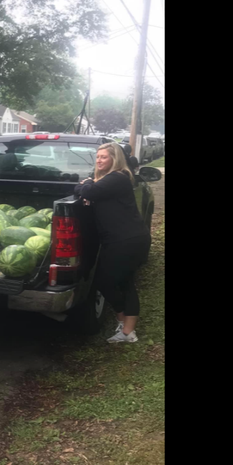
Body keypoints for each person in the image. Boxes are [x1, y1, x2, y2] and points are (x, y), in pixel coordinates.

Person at [73, 142, 151, 343]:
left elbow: (87, 191)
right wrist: (85, 185)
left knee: (104, 281)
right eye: (97, 157)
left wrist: (85, 184)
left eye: (104, 157)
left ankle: (122, 320)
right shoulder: (111, 180)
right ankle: (128, 332)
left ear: (114, 159)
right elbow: (83, 188)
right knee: (125, 283)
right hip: (127, 238)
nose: (99, 160)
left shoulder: (117, 178)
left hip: (126, 240)